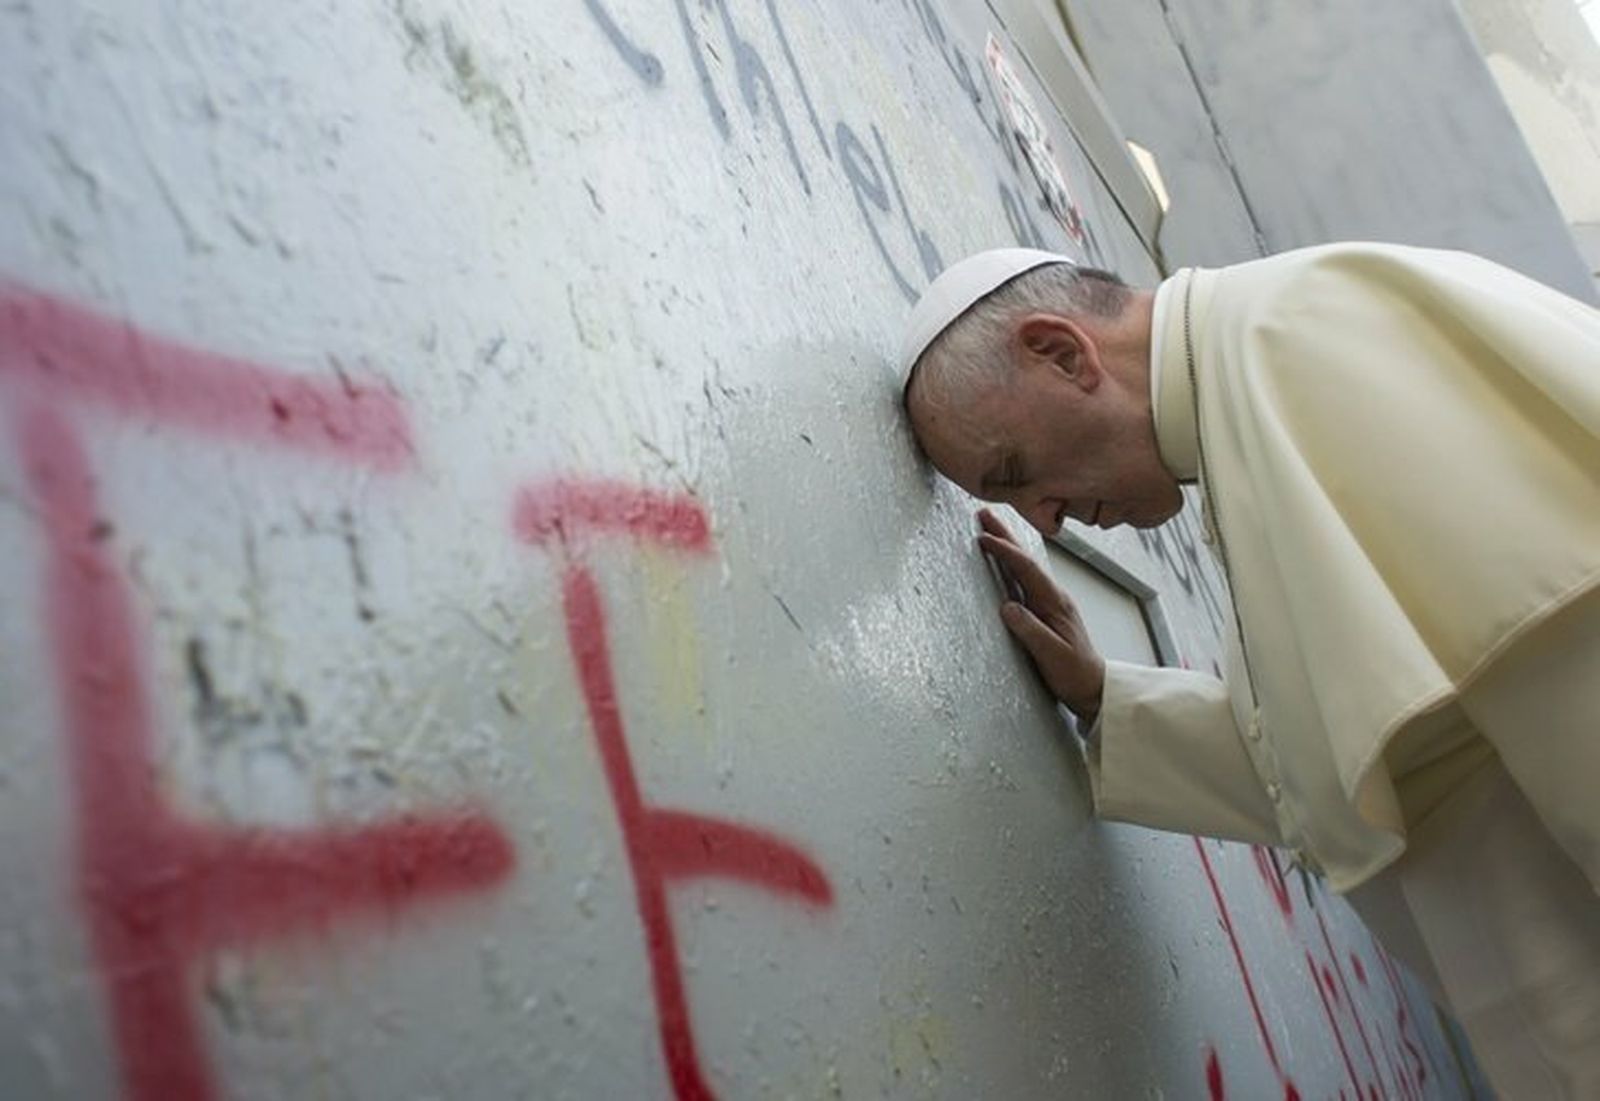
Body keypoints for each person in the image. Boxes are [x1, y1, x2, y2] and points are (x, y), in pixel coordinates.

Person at [898, 243, 1600, 1098]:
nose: (1044, 521)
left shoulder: (1309, 332)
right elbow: (1345, 763)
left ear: (1063, 352)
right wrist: (1101, 695)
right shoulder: (1251, 393)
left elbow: (1557, 638)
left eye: (1019, 475)